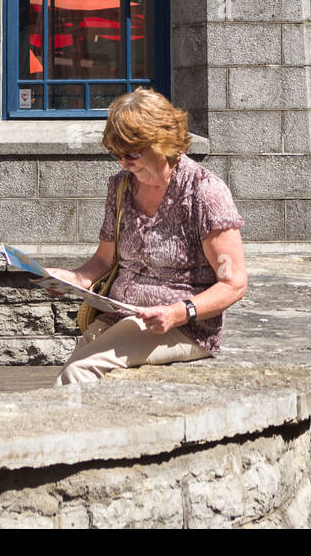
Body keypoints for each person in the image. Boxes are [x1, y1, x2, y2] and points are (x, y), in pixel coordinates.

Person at [45, 89, 247, 385]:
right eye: (116, 155)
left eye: (132, 154)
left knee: (79, 372)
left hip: (181, 328)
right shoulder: (120, 188)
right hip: (121, 317)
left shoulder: (204, 192)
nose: (123, 163)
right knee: (77, 363)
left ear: (162, 141)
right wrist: (72, 279)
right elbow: (104, 259)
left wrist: (178, 313)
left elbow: (234, 283)